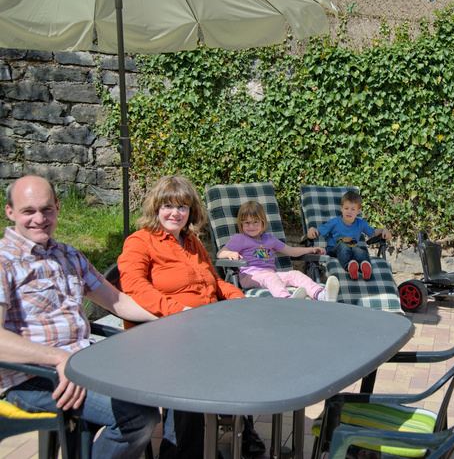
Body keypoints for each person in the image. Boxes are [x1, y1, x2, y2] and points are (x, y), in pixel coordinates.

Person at [0, 175, 160, 459]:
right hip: (33, 378)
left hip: (83, 365)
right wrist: (58, 359)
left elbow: (117, 301)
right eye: (28, 211)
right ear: (10, 212)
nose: (39, 218)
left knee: (156, 388)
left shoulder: (68, 255)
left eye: (47, 209)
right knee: (137, 418)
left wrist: (169, 319)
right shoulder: (4, 262)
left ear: (58, 208)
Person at [117, 174, 265, 459]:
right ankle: (192, 449)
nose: (175, 213)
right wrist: (181, 312)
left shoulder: (192, 242)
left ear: (191, 211)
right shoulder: (140, 241)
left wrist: (239, 300)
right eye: (168, 206)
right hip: (164, 332)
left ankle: (234, 426)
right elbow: (134, 287)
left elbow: (214, 281)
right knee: (202, 366)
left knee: (250, 348)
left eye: (182, 207)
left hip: (205, 326)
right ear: (156, 208)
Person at [217, 201, 339, 301]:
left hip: (271, 275)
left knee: (295, 274)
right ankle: (286, 299)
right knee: (271, 277)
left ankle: (321, 295)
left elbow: (291, 251)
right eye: (247, 223)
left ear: (263, 222)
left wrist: (311, 249)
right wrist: (230, 253)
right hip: (250, 277)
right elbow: (220, 253)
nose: (251, 226)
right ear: (241, 224)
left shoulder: (269, 239)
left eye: (255, 222)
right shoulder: (240, 238)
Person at [306, 191, 392, 280]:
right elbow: (318, 231)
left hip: (352, 249)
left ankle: (365, 267)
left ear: (359, 211)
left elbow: (373, 232)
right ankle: (349, 266)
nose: (349, 212)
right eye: (346, 208)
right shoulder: (334, 222)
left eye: (353, 209)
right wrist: (312, 229)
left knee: (359, 250)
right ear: (341, 208)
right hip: (334, 250)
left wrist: (383, 229)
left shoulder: (361, 224)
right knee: (343, 246)